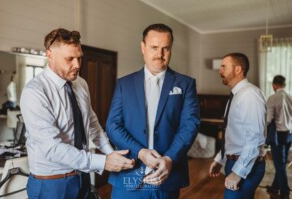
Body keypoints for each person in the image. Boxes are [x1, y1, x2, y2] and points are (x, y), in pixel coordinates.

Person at [20, 28, 135, 199]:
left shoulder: (80, 84)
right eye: (70, 59)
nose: (77, 65)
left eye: (79, 57)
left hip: (82, 177)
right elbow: (52, 148)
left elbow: (93, 124)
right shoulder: (35, 92)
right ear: (50, 55)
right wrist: (103, 162)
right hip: (52, 184)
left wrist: (109, 152)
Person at [106, 23, 200, 199]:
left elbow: (190, 125)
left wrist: (170, 158)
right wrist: (140, 152)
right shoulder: (124, 84)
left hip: (166, 176)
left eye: (165, 48)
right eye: (154, 47)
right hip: (129, 174)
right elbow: (112, 125)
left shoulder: (185, 84)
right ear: (143, 47)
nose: (160, 54)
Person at [209, 53, 266, 199]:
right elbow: (232, 134)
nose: (220, 71)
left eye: (224, 66)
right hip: (233, 161)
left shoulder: (250, 95)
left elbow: (255, 138)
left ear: (238, 69)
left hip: (246, 166)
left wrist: (238, 172)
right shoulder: (236, 95)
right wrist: (220, 159)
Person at [266, 75, 292, 199]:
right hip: (290, 134)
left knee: (279, 164)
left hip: (278, 135)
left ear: (274, 85)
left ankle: (285, 192)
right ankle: (275, 187)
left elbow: (268, 119)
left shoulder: (272, 98)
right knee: (281, 163)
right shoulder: (290, 97)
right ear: (284, 85)